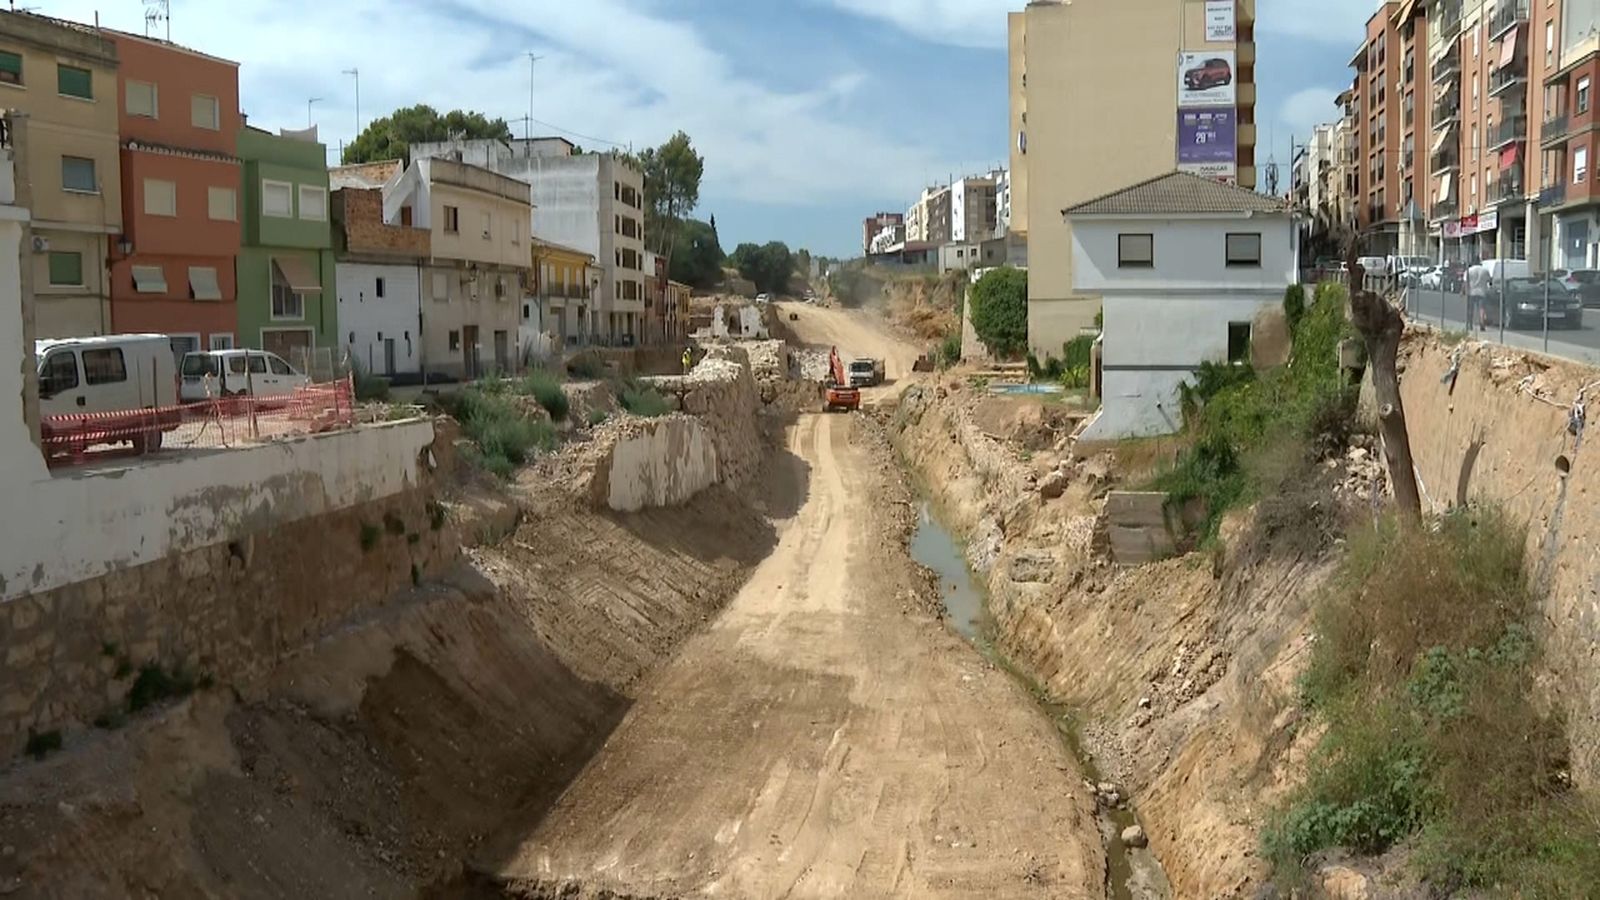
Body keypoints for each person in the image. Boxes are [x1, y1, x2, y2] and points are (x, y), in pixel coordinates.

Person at [1466, 259, 1490, 330]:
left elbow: (1465, 281)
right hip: (1482, 292)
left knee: (1470, 309)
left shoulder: (1469, 270)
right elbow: (1489, 280)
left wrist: (1464, 291)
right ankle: (1482, 323)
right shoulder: (1485, 271)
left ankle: (1470, 325)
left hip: (1471, 292)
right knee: (1481, 309)